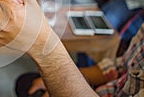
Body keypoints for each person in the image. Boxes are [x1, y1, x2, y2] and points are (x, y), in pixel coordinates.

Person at [15, 24, 144, 96]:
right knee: (26, 82)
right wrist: (57, 79)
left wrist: (45, 48)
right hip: (108, 88)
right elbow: (121, 65)